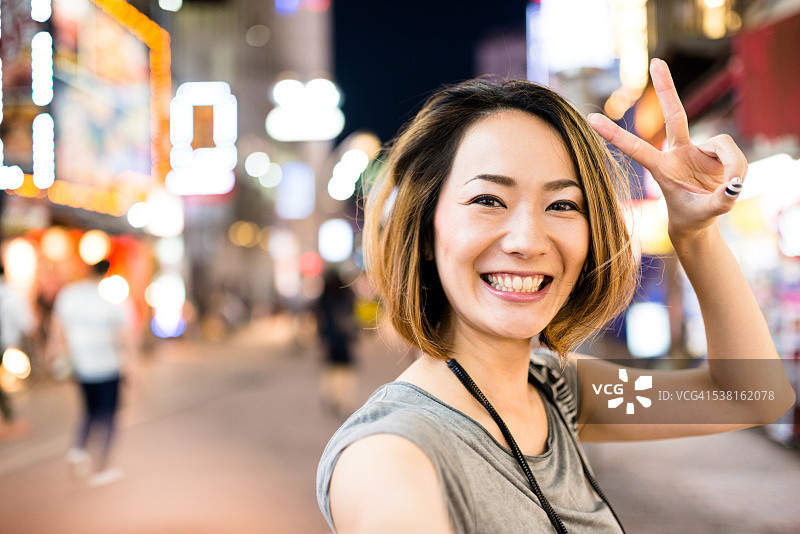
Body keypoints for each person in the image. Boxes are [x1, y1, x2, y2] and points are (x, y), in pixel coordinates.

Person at [316, 58, 796, 533]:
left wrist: (695, 234)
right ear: (424, 230)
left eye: (562, 204)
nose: (527, 240)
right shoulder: (388, 455)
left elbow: (751, 396)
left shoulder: (558, 392)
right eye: (488, 200)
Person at [48, 259, 138, 486]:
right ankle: (102, 467)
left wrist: (54, 352)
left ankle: (78, 450)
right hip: (108, 366)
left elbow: (57, 327)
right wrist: (132, 366)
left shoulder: (69, 295)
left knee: (89, 409)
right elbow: (124, 336)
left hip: (82, 365)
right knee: (108, 414)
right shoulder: (112, 299)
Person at [315, 268, 359, 417]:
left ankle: (333, 397)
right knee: (346, 372)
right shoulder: (346, 296)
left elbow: (319, 320)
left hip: (330, 341)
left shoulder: (324, 298)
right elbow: (352, 317)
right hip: (343, 341)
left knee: (331, 370)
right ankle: (344, 400)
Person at [0, 260, 35, 440]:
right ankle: (9, 420)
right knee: (9, 386)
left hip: (6, 347)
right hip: (7, 347)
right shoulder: (12, 295)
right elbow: (26, 324)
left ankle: (7, 419)